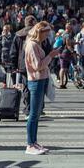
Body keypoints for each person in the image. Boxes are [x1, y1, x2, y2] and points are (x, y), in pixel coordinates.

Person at [24, 21, 60, 155]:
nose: (48, 36)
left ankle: (34, 142)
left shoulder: (36, 44)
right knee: (33, 114)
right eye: (47, 33)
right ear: (40, 32)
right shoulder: (32, 45)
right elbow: (38, 65)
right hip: (36, 80)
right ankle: (30, 144)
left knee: (36, 113)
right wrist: (50, 56)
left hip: (40, 79)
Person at [10, 15, 52, 119]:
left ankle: (28, 109)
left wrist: (13, 66)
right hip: (39, 64)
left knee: (27, 88)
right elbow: (48, 49)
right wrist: (48, 62)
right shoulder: (38, 34)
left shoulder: (19, 34)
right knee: (40, 87)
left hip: (23, 65)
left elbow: (13, 52)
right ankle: (39, 108)